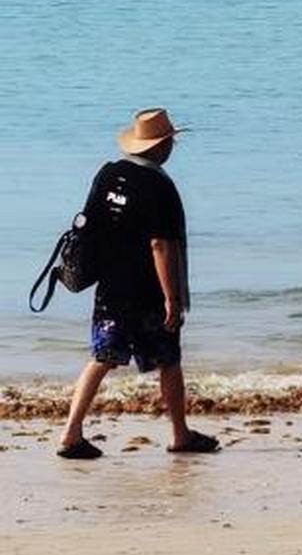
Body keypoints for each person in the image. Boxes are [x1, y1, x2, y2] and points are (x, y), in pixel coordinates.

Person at [57, 108, 218, 459]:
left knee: (101, 358)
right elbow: (161, 245)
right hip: (147, 294)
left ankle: (71, 432)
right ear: (161, 147)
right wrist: (172, 299)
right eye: (170, 141)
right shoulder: (160, 186)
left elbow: (91, 228)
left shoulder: (107, 175)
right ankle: (180, 434)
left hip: (110, 289)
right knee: (168, 361)